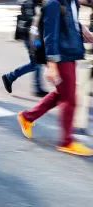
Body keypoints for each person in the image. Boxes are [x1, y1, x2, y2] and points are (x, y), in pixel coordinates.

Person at [17, 0, 93, 156]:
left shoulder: (72, 3)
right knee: (70, 100)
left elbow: (67, 23)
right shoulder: (54, 3)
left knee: (63, 93)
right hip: (61, 57)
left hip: (70, 53)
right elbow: (50, 35)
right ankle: (66, 142)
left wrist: (82, 29)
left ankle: (27, 116)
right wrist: (51, 65)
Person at [2, 0, 48, 97]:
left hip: (33, 37)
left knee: (38, 62)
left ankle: (37, 87)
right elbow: (32, 22)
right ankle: (10, 77)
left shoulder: (33, 3)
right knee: (36, 63)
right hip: (32, 38)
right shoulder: (31, 3)